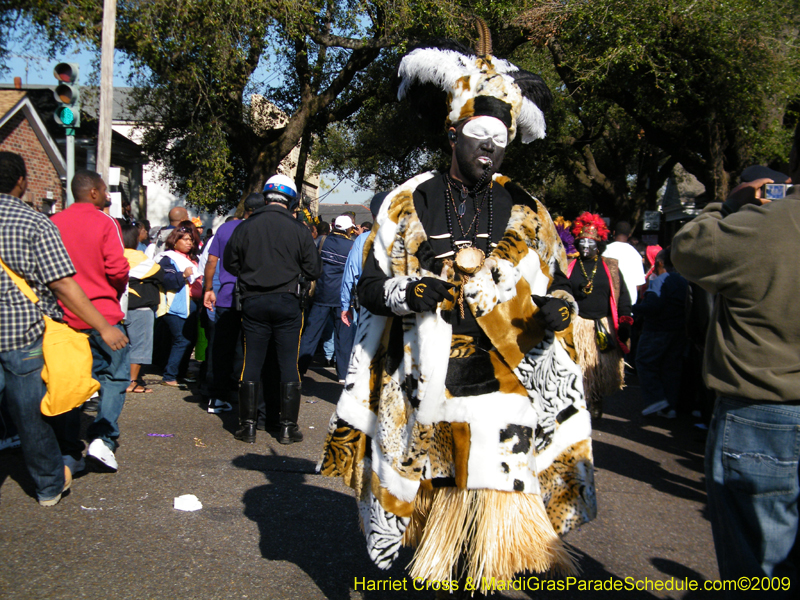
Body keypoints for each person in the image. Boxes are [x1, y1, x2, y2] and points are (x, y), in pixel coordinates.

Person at [319, 38, 594, 591]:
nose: (489, 149)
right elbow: (369, 289)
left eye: (500, 140)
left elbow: (562, 285)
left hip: (505, 395)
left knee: (497, 542)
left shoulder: (530, 212)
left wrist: (560, 309)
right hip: (426, 390)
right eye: (478, 137)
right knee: (426, 525)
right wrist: (407, 293)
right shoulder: (406, 203)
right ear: (452, 133)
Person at [671, 124, 800, 594]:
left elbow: (688, 248)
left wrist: (727, 204)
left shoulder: (770, 222)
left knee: (758, 562)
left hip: (763, 412)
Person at [0, 153, 127, 504]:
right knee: (41, 407)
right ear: (22, 181)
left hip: (56, 321)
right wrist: (104, 322)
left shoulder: (55, 219)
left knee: (56, 389)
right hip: (30, 329)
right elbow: (79, 279)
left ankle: (61, 447)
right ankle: (80, 456)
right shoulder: (39, 222)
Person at [224, 175, 321, 445]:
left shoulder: (244, 227)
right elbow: (314, 269)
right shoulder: (299, 229)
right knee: (288, 362)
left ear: (265, 197)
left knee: (251, 361)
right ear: (290, 200)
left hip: (253, 302)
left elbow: (230, 264)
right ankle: (288, 427)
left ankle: (248, 426)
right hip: (288, 302)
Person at [51, 169, 131, 472]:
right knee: (114, 376)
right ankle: (102, 438)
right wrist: (117, 289)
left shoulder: (53, 222)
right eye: (105, 190)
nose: (109, 196)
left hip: (64, 315)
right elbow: (117, 267)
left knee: (70, 383)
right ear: (94, 192)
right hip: (104, 314)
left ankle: (68, 449)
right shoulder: (104, 222)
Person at [565, 212, 633, 420]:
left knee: (599, 370)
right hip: (578, 325)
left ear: (599, 244)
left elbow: (622, 296)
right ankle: (578, 402)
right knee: (577, 367)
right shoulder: (569, 265)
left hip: (604, 324)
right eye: (582, 242)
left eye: (590, 242)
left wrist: (625, 320)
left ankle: (595, 399)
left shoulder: (610, 267)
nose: (586, 246)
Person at [202, 193, 264, 413]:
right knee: (247, 349)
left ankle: (217, 395)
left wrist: (209, 288)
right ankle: (245, 395)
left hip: (226, 295)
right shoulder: (261, 229)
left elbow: (211, 261)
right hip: (253, 296)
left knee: (221, 348)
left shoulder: (225, 229)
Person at [297, 214, 355, 383]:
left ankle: (299, 369)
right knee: (343, 337)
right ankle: (343, 374)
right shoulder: (351, 246)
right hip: (343, 297)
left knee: (311, 334)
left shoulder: (322, 242)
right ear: (348, 229)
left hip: (322, 294)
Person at [633, 248, 688, 418]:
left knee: (644, 362)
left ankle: (656, 399)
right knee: (670, 367)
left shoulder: (659, 280)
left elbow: (653, 306)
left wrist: (633, 309)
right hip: (678, 330)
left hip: (656, 330)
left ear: (660, 263)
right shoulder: (683, 280)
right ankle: (669, 406)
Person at [338, 193, 388, 368]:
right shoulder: (405, 239)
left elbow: (350, 274)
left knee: (364, 351)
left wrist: (345, 305)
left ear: (373, 216)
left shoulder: (362, 240)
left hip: (367, 304)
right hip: (394, 304)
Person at [157, 221, 202, 387]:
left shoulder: (192, 259)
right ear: (174, 241)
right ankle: (170, 375)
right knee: (181, 339)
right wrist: (182, 275)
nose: (189, 242)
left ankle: (180, 373)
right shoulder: (167, 259)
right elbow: (166, 280)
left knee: (190, 339)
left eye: (190, 239)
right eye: (184, 239)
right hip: (175, 305)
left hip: (192, 304)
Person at [120, 223, 163, 394]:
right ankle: (132, 381)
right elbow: (159, 273)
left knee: (120, 345)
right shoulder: (137, 256)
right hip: (139, 305)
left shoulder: (110, 255)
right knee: (139, 345)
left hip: (117, 306)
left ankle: (118, 378)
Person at [603, 220, 645, 306]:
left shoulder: (605, 250)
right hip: (629, 302)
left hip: (608, 300)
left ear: (614, 233)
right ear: (629, 235)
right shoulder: (635, 254)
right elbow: (638, 283)